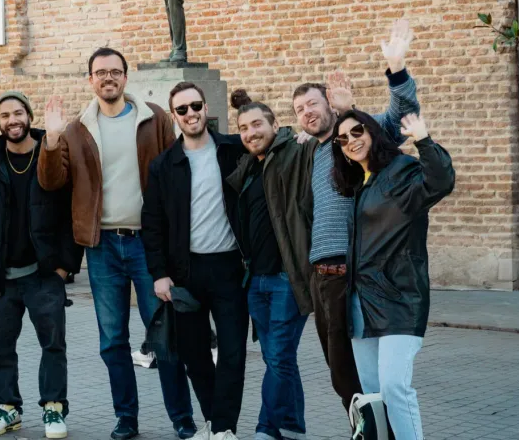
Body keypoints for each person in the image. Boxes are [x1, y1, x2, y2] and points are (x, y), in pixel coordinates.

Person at [41, 48, 196, 440]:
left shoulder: (154, 118)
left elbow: (176, 172)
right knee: (112, 341)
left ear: (125, 78)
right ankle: (126, 418)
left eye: (115, 71)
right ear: (90, 79)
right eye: (99, 72)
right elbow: (52, 183)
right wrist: (52, 138)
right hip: (102, 247)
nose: (107, 78)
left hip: (148, 244)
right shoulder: (77, 129)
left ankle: (183, 419)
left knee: (164, 337)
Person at [292, 18, 420, 414]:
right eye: (299, 110)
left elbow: (403, 114)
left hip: (354, 272)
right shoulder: (312, 151)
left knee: (359, 380)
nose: (307, 113)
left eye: (313, 103)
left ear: (330, 103)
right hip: (321, 277)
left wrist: (395, 69)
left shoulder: (361, 138)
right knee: (342, 379)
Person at [0, 92, 80, 439]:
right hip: (0, 276)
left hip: (44, 274)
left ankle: (54, 410)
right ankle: (7, 408)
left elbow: (72, 213)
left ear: (28, 116)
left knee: (53, 345)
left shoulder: (52, 154)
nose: (12, 120)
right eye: (5, 116)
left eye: (18, 113)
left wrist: (64, 268)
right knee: (0, 348)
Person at [331, 111, 454, 440]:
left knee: (394, 387)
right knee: (373, 396)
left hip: (399, 297)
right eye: (343, 138)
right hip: (361, 302)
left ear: (371, 131)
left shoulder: (399, 170)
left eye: (357, 131)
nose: (351, 141)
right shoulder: (361, 184)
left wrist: (424, 140)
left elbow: (440, 182)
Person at [142, 82, 247, 440]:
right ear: (174, 117)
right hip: (185, 273)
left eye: (196, 106)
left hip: (230, 268)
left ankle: (222, 430)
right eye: (182, 110)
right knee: (195, 355)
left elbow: (269, 142)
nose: (191, 114)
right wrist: (159, 275)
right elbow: (152, 224)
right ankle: (216, 423)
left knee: (233, 352)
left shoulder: (234, 150)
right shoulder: (164, 165)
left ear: (206, 109)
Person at [225, 91, 317, 440]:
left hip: (286, 278)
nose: (250, 133)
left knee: (279, 356)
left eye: (258, 124)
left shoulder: (294, 152)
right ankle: (292, 425)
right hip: (257, 280)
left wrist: (304, 136)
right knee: (278, 359)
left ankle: (267, 428)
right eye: (244, 128)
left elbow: (316, 148)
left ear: (275, 125)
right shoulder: (248, 167)